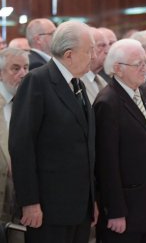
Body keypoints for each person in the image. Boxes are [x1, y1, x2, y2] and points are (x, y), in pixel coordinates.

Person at [9, 21, 97, 243]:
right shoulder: (37, 81)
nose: (93, 57)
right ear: (69, 54)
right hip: (49, 207)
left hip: (79, 207)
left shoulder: (78, 84)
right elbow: (22, 145)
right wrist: (30, 202)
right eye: (89, 51)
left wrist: (92, 199)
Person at [94, 39, 146, 243]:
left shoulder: (144, 93)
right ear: (117, 69)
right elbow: (106, 163)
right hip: (126, 209)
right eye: (138, 64)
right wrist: (115, 210)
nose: (145, 69)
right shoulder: (108, 102)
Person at [0, 48, 29, 225]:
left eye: (26, 67)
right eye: (15, 68)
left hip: (21, 200)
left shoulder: (30, 102)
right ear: (1, 73)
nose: (23, 74)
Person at [81, 28, 109, 104]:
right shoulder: (76, 82)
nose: (107, 51)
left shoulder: (102, 81)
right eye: (101, 45)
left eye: (107, 45)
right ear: (87, 48)